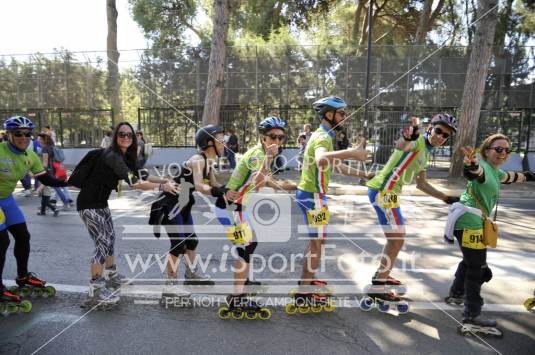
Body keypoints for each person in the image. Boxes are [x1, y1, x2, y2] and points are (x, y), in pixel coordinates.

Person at [77, 122, 179, 308]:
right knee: (102, 244)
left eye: (129, 135)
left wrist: (166, 180)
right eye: (122, 134)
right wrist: (161, 186)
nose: (126, 138)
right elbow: (134, 183)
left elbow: (143, 176)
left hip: (100, 202)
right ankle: (95, 292)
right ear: (115, 137)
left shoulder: (123, 157)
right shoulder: (112, 156)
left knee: (110, 239)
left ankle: (111, 276)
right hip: (88, 203)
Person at [365, 114, 460, 303]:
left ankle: (381, 276)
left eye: (446, 135)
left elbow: (421, 184)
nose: (441, 137)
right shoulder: (418, 143)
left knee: (395, 239)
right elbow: (402, 145)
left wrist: (447, 198)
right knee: (397, 239)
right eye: (439, 131)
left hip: (388, 193)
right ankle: (378, 285)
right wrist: (408, 137)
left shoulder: (426, 152)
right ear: (430, 128)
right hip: (384, 191)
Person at [445, 134, 534, 330]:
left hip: (471, 220)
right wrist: (470, 165)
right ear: (486, 151)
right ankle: (472, 314)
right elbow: (475, 173)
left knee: (470, 261)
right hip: (470, 221)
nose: (503, 153)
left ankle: (456, 293)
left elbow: (512, 177)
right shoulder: (484, 167)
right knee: (479, 270)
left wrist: (530, 175)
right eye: (498, 149)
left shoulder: (495, 171)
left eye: (506, 150)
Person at [215, 116, 296, 318]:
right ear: (262, 138)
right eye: (273, 137)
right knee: (244, 248)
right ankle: (237, 298)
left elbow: (267, 181)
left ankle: (244, 281)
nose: (277, 142)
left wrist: (294, 186)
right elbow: (258, 182)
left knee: (251, 244)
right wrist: (268, 159)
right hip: (232, 206)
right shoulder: (258, 155)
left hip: (240, 206)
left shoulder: (261, 154)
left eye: (281, 137)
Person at [294, 96, 370, 307]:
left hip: (313, 195)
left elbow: (336, 166)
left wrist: (365, 176)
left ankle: (305, 281)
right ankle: (304, 292)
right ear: (329, 114)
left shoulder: (325, 134)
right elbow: (321, 159)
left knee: (317, 242)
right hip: (314, 197)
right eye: (342, 113)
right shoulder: (322, 138)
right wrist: (353, 153)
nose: (345, 117)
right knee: (317, 245)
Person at [149, 125, 240, 298]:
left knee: (192, 242)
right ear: (209, 143)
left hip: (183, 204)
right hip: (171, 204)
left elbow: (214, 184)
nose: (224, 144)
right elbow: (199, 185)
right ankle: (170, 286)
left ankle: (191, 275)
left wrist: (231, 192)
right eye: (221, 140)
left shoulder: (208, 161)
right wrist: (219, 192)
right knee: (178, 244)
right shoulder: (198, 159)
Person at [0, 116, 69, 305]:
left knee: (23, 236)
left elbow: (46, 179)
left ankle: (23, 277)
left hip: (6, 199)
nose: (23, 137)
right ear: (9, 135)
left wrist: (70, 182)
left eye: (27, 134)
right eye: (18, 133)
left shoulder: (30, 156)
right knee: (2, 241)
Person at [37, 133, 73, 210]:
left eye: (40, 139)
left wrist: (42, 172)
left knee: (55, 188)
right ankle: (45, 205)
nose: (38, 140)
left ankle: (66, 203)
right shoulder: (51, 147)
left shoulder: (45, 148)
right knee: (52, 188)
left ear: (44, 140)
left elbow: (45, 162)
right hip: (53, 170)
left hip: (48, 171)